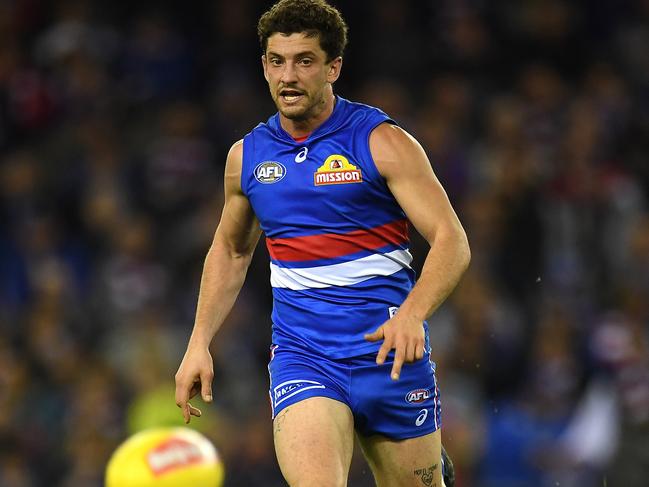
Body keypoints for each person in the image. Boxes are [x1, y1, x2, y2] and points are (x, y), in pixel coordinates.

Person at [174, 1, 470, 485]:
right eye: (277, 61)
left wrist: (413, 314)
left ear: (333, 67)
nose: (288, 75)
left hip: (389, 358)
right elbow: (231, 251)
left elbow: (451, 240)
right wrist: (198, 343)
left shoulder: (382, 142)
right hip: (305, 357)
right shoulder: (246, 158)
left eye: (304, 61)